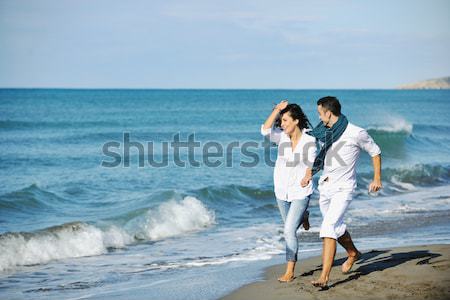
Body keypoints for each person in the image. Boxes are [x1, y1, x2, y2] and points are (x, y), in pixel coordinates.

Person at [301, 96, 382, 288]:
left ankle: (324, 277)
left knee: (328, 228)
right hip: (326, 186)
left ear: (328, 113)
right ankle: (353, 253)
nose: (319, 117)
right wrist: (309, 173)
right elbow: (323, 157)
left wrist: (376, 178)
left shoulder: (355, 132)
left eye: (320, 113)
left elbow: (375, 151)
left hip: (344, 188)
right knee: (336, 228)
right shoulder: (326, 132)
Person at [261, 100, 317, 282]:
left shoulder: (309, 139)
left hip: (301, 190)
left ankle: (290, 270)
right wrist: (277, 109)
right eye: (281, 121)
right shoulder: (281, 137)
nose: (282, 124)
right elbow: (264, 129)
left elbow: (312, 162)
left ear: (296, 121)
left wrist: (308, 175)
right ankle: (304, 216)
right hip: (281, 190)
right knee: (289, 228)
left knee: (288, 231)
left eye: (285, 120)